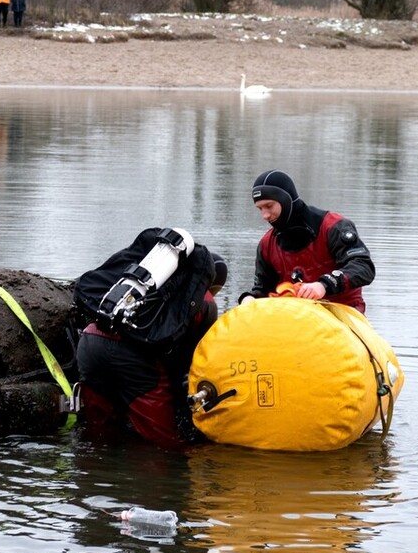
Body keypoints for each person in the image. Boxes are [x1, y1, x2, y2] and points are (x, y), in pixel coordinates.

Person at [73, 228, 227, 448]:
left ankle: (92, 476)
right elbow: (192, 363)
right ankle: (151, 482)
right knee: (161, 445)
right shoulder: (206, 301)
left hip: (90, 342)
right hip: (131, 357)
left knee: (97, 434)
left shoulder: (144, 283)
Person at [239, 169, 375, 313]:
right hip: (295, 319)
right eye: (260, 208)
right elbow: (263, 289)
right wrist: (250, 298)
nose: (265, 215)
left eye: (269, 206)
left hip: (342, 314)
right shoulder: (267, 245)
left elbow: (364, 267)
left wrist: (324, 285)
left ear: (285, 200)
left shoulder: (333, 227)